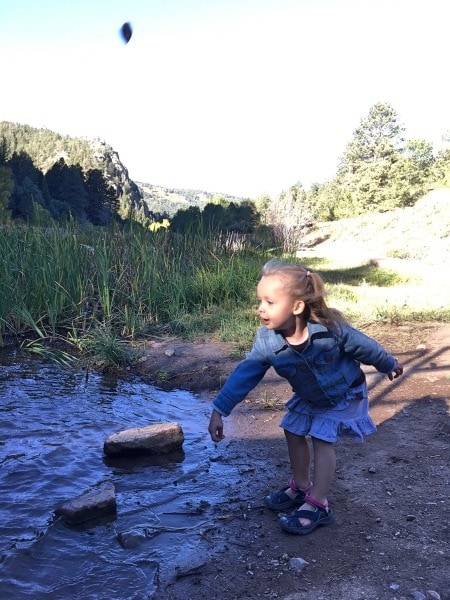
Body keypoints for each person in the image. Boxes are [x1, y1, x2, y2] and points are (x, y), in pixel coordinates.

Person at [208, 259, 403, 535]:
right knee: (292, 430)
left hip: (343, 393)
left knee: (323, 439)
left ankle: (318, 504)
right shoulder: (267, 342)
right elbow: (245, 374)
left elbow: (365, 347)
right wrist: (220, 409)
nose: (260, 308)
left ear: (297, 307)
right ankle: (301, 487)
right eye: (259, 301)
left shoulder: (330, 331)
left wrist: (388, 363)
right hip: (311, 395)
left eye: (269, 302)